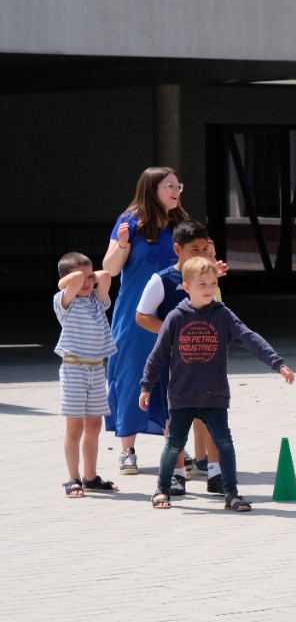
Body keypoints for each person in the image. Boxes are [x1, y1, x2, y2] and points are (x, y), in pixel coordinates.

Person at [140, 257, 295, 511]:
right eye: (202, 284)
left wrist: (277, 363)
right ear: (186, 286)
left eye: (213, 283)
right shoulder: (175, 317)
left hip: (214, 395)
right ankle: (162, 489)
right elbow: (157, 355)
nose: (209, 288)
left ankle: (231, 494)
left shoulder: (223, 315)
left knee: (224, 443)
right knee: (175, 444)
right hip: (182, 395)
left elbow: (249, 338)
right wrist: (146, 386)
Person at [102, 166, 188, 475]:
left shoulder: (181, 225)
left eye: (178, 186)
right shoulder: (130, 223)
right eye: (169, 186)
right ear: (151, 189)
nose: (176, 191)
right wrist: (123, 244)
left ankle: (175, 446)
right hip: (135, 314)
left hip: (176, 312)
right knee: (131, 375)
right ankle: (127, 450)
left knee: (175, 378)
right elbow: (110, 269)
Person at [135, 220, 230, 496]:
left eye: (204, 248)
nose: (200, 254)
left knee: (213, 415)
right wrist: (172, 334)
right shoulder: (162, 280)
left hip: (208, 362)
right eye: (193, 249)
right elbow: (141, 316)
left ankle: (216, 473)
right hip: (174, 365)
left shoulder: (209, 277)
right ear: (178, 249)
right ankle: (176, 475)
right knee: (174, 420)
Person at [53, 253, 119, 497]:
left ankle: (90, 477)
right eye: (81, 279)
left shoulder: (95, 300)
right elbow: (74, 281)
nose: (88, 282)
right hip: (74, 370)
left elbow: (105, 275)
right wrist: (73, 280)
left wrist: (89, 276)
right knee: (75, 427)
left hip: (95, 369)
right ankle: (73, 478)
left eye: (89, 277)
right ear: (68, 280)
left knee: (94, 424)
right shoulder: (63, 301)